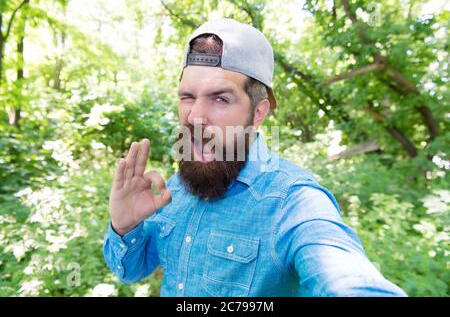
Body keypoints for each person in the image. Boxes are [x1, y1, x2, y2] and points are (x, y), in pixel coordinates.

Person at [103, 18, 407, 297]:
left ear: (258, 113)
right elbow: (131, 271)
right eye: (187, 97)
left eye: (220, 98)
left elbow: (348, 281)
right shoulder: (179, 185)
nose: (194, 116)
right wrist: (125, 226)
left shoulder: (294, 202)